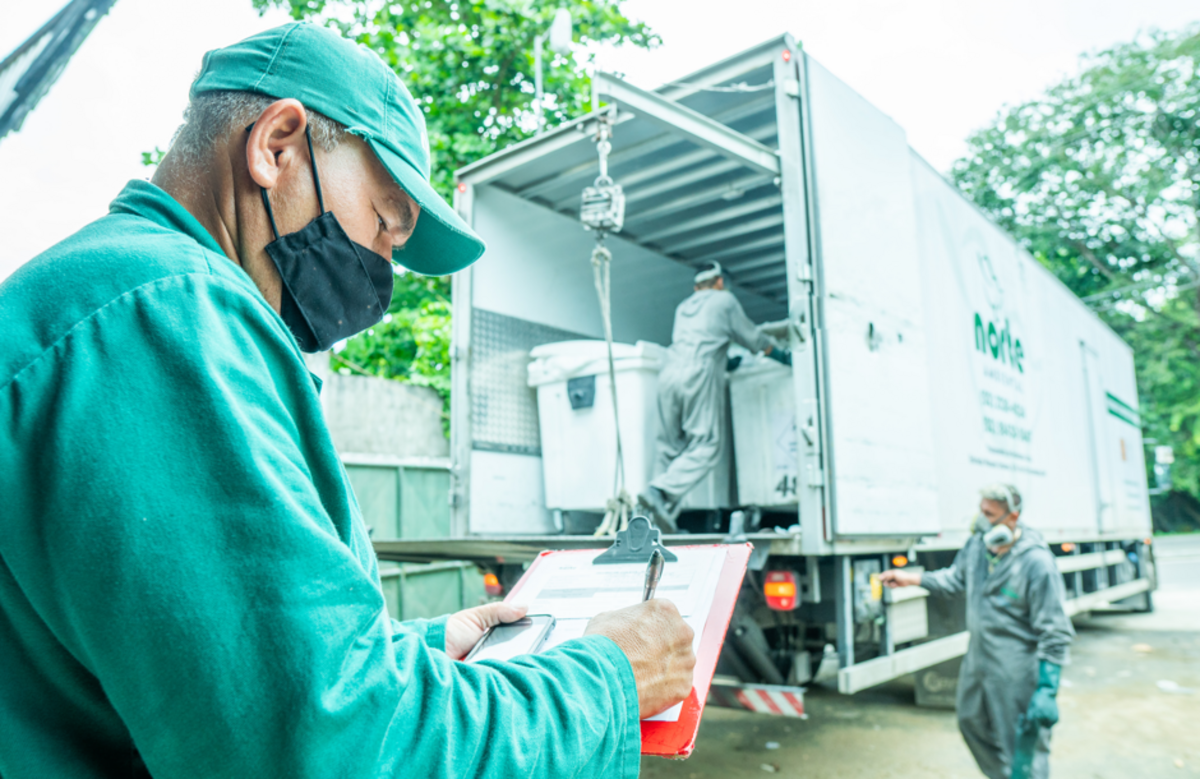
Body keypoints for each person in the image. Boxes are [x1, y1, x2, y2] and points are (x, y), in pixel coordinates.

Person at [0, 23, 695, 779]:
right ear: (277, 146)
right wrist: (607, 678)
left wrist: (424, 647)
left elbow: (210, 669)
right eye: (386, 221)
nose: (384, 265)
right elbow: (327, 747)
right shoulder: (167, 322)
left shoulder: (116, 297)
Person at [879, 484, 1074, 779]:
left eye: (990, 514)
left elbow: (1055, 630)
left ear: (1013, 517)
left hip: (1015, 669)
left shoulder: (1036, 563)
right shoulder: (977, 547)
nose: (981, 520)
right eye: (980, 511)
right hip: (978, 660)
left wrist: (1047, 689)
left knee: (1022, 742)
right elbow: (955, 580)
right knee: (970, 722)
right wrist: (912, 579)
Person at [638, 262, 786, 531]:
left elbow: (699, 341)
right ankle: (659, 491)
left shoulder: (683, 307)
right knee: (707, 445)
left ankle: (653, 523)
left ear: (696, 287)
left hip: (668, 374)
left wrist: (726, 363)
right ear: (720, 282)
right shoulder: (724, 300)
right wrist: (783, 356)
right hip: (698, 374)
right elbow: (754, 339)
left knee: (668, 447)